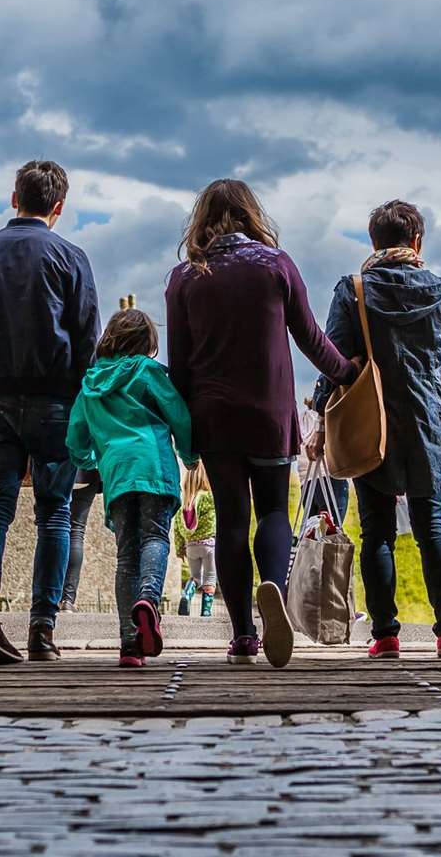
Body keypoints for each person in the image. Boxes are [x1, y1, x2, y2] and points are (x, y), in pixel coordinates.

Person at [166, 179, 361, 667]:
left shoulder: (186, 276)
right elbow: (312, 338)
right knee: (273, 511)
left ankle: (242, 636)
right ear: (252, 215)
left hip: (213, 415)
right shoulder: (276, 265)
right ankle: (272, 583)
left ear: (202, 220)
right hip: (269, 411)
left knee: (232, 517)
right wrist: (348, 374)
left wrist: (185, 429)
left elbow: (180, 363)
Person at [312, 200, 441, 662]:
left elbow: (334, 362)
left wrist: (318, 424)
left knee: (376, 533)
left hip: (370, 424)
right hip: (428, 426)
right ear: (418, 242)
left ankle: (386, 635)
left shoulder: (352, 290)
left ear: (373, 242)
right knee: (434, 526)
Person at [0, 160, 100, 665]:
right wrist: (86, 419)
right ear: (58, 207)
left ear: (14, 198)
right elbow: (87, 350)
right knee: (55, 514)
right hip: (56, 402)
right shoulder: (71, 258)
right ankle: (42, 629)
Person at [66, 309, 197, 667]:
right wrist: (189, 454)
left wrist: (94, 460)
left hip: (118, 475)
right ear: (147, 342)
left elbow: (75, 437)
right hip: (154, 467)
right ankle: (148, 600)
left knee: (126, 555)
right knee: (155, 538)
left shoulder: (91, 383)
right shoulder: (148, 371)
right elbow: (179, 414)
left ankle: (129, 645)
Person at [175, 474, 217, 617]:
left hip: (191, 546)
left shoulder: (184, 503)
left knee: (195, 577)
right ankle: (206, 611)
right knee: (210, 578)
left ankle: (187, 595)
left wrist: (180, 549)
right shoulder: (210, 497)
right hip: (209, 545)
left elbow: (176, 528)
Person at [60, 469, 101, 612]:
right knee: (76, 531)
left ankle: (50, 596)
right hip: (87, 470)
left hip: (56, 467)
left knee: (52, 528)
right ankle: (68, 599)